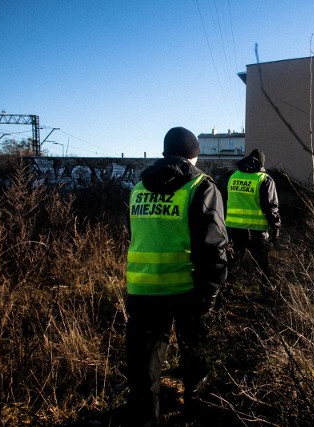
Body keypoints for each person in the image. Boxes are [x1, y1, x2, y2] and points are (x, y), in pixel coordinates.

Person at [124, 126, 228, 426]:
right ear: (194, 155)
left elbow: (136, 235)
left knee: (144, 370)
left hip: (143, 291)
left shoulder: (138, 188)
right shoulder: (201, 187)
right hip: (187, 291)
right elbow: (215, 246)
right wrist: (211, 291)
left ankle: (146, 420)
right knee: (195, 359)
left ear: (164, 153)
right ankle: (196, 414)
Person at [224, 148, 281, 284]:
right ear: (261, 163)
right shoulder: (264, 179)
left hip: (232, 229)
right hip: (256, 231)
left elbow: (224, 200)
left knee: (231, 264)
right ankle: (267, 294)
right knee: (262, 266)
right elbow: (271, 207)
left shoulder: (233, 177)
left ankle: (223, 296)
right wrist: (275, 227)